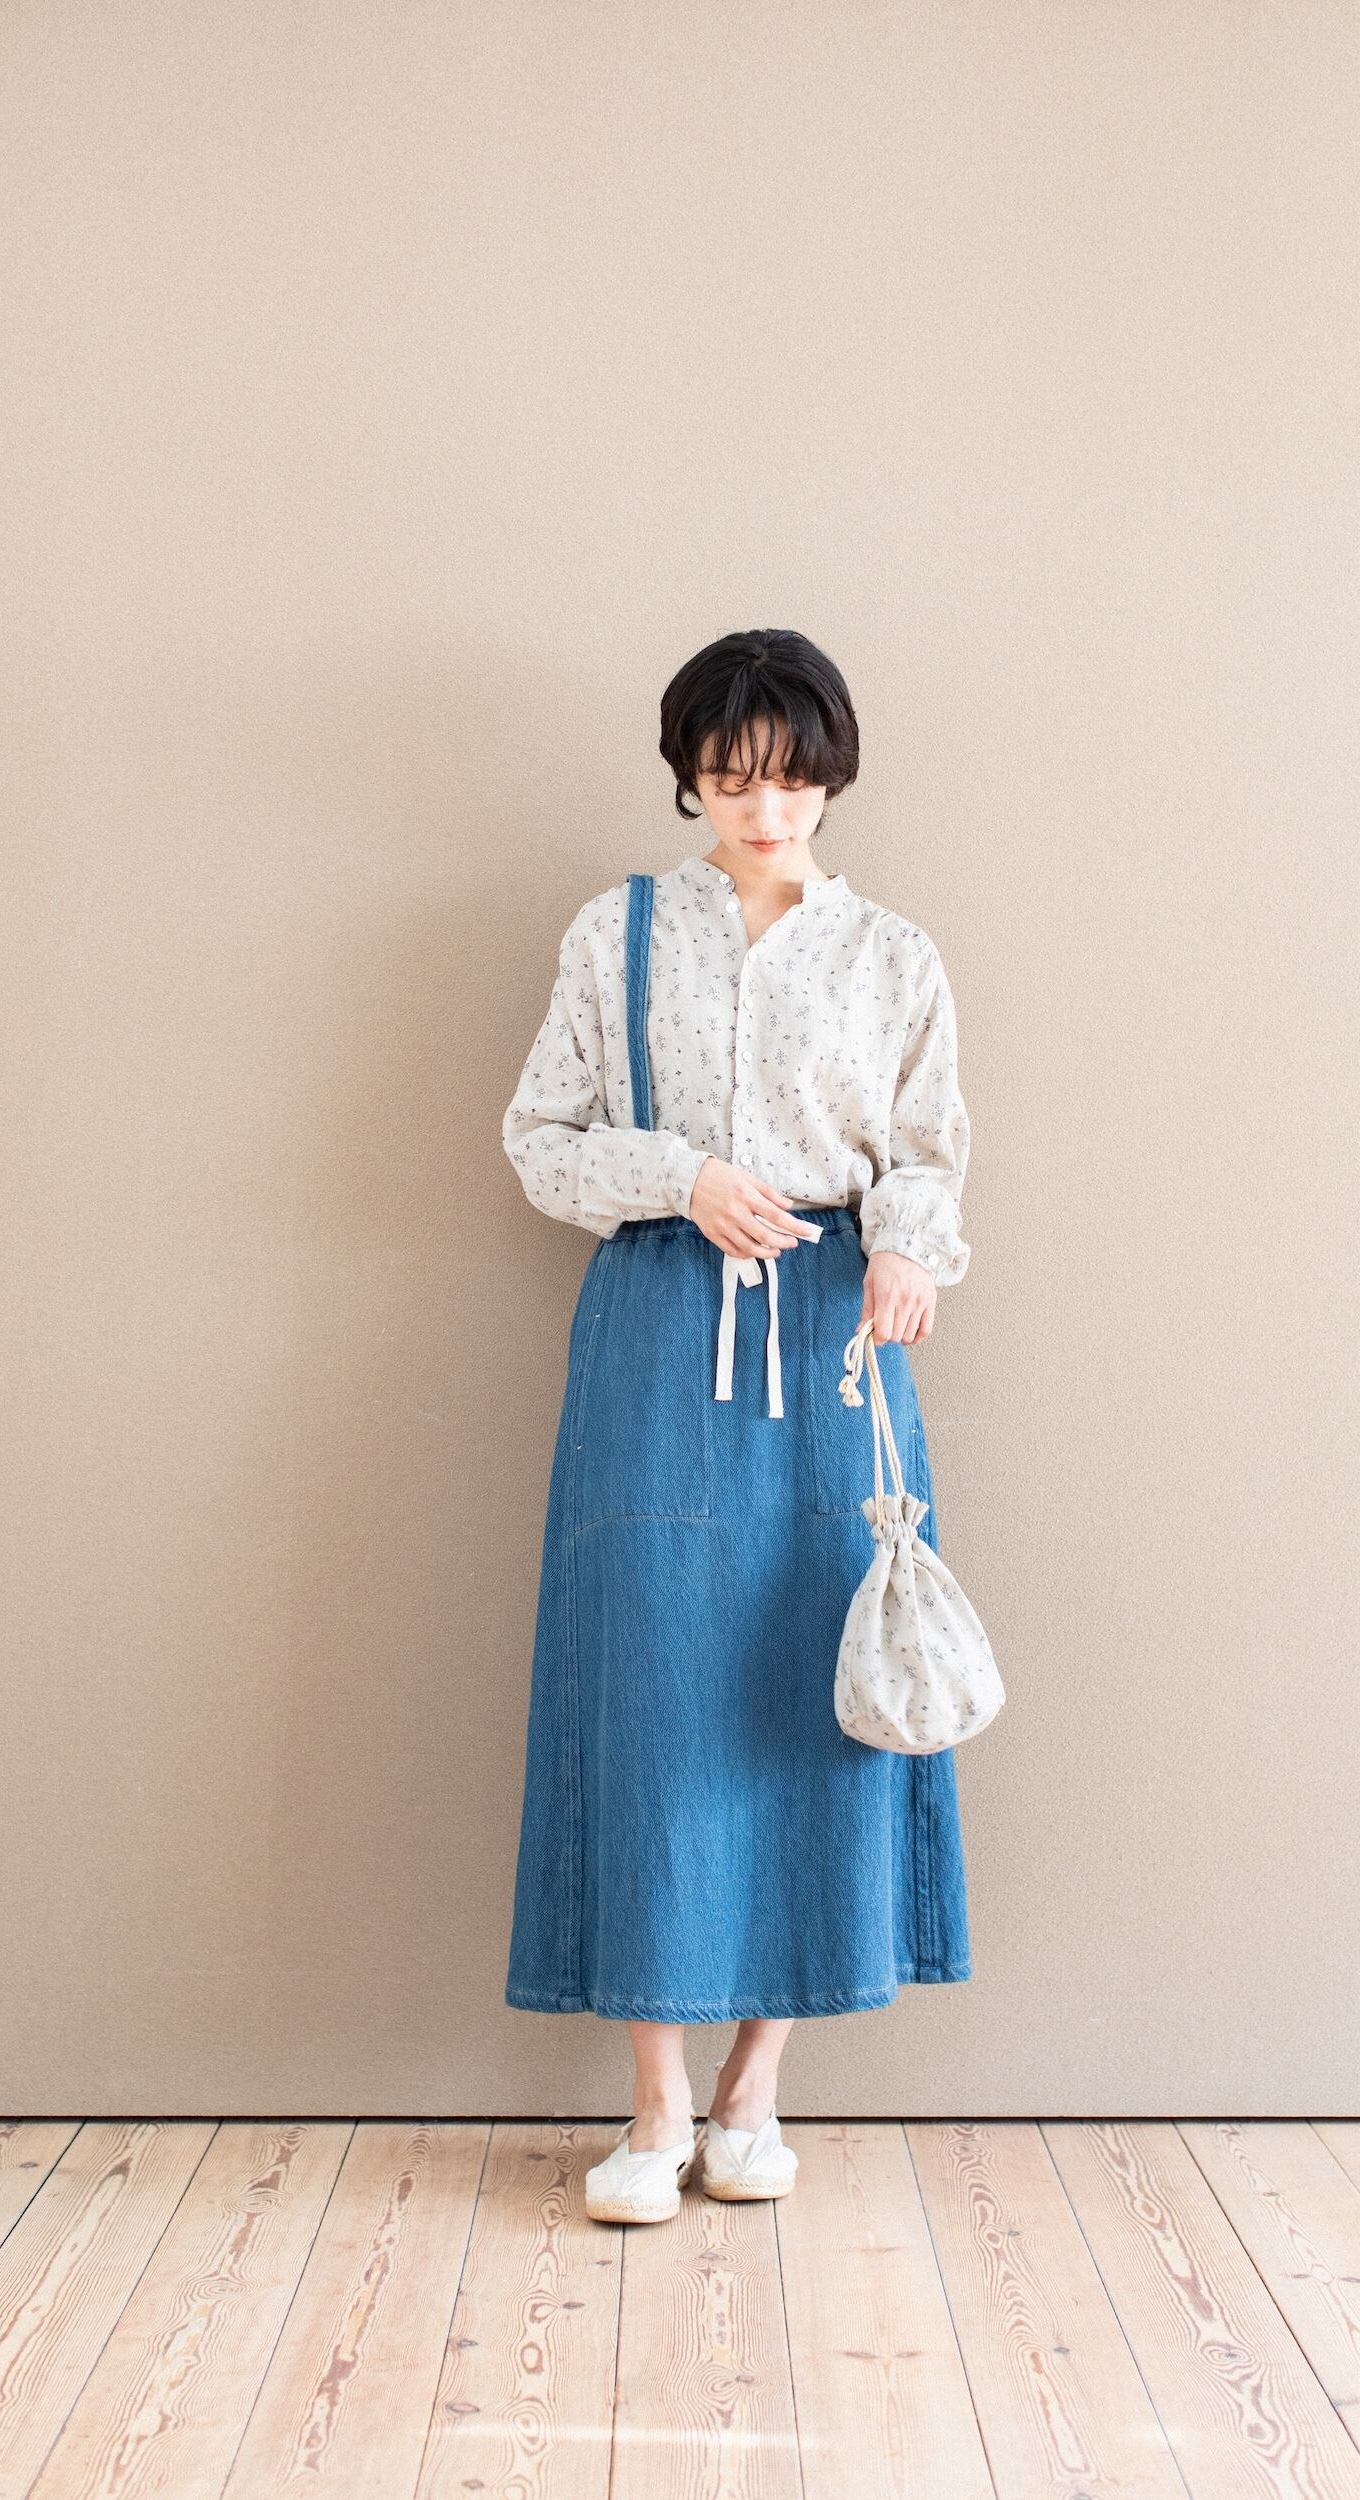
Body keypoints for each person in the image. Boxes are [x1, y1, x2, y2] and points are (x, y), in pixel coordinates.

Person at [500, 627, 974, 2224]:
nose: (764, 812)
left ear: (831, 776)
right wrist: (681, 1178)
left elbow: (928, 1149)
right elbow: (540, 1140)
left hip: (835, 1336)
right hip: (656, 1324)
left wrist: (907, 1249)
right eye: (730, 780)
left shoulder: (892, 956)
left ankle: (754, 2090)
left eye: (791, 780)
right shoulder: (616, 934)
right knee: (649, 1689)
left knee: (815, 1687)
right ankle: (652, 2106)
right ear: (689, 779)